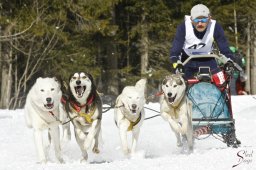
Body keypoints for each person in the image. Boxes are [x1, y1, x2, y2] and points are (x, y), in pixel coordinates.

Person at [170, 4, 234, 87]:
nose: (200, 23)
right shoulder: (183, 27)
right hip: (187, 59)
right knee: (179, 86)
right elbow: (175, 52)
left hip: (207, 59)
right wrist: (177, 64)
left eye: (203, 20)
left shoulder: (215, 27)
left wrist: (229, 61)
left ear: (209, 18)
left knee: (221, 83)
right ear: (191, 19)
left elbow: (225, 49)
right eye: (196, 20)